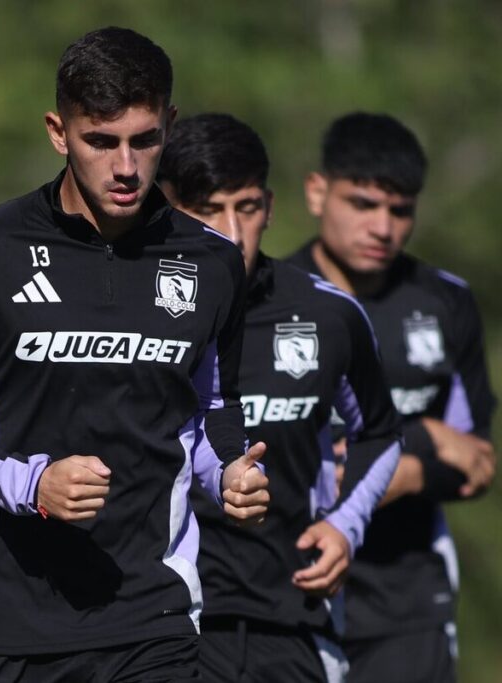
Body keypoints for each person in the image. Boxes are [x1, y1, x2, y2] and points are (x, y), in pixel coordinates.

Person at [0, 27, 270, 683]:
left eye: (144, 140)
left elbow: (211, 409)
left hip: (155, 621)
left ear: (169, 128)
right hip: (5, 623)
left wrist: (229, 473)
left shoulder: (211, 262)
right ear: (58, 131)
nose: (125, 166)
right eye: (101, 141)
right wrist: (32, 484)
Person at [158, 113, 401, 683]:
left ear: (269, 205)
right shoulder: (133, 317)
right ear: (170, 208)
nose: (233, 234)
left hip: (292, 621)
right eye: (208, 210)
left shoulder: (329, 314)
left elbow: (382, 431)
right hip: (167, 626)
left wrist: (346, 524)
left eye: (245, 207)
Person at [286, 112, 497, 683]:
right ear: (317, 192)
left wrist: (388, 472)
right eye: (362, 204)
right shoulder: (271, 300)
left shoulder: (445, 302)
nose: (382, 227)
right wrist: (421, 440)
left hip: (409, 605)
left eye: (399, 210)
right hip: (292, 595)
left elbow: (476, 464)